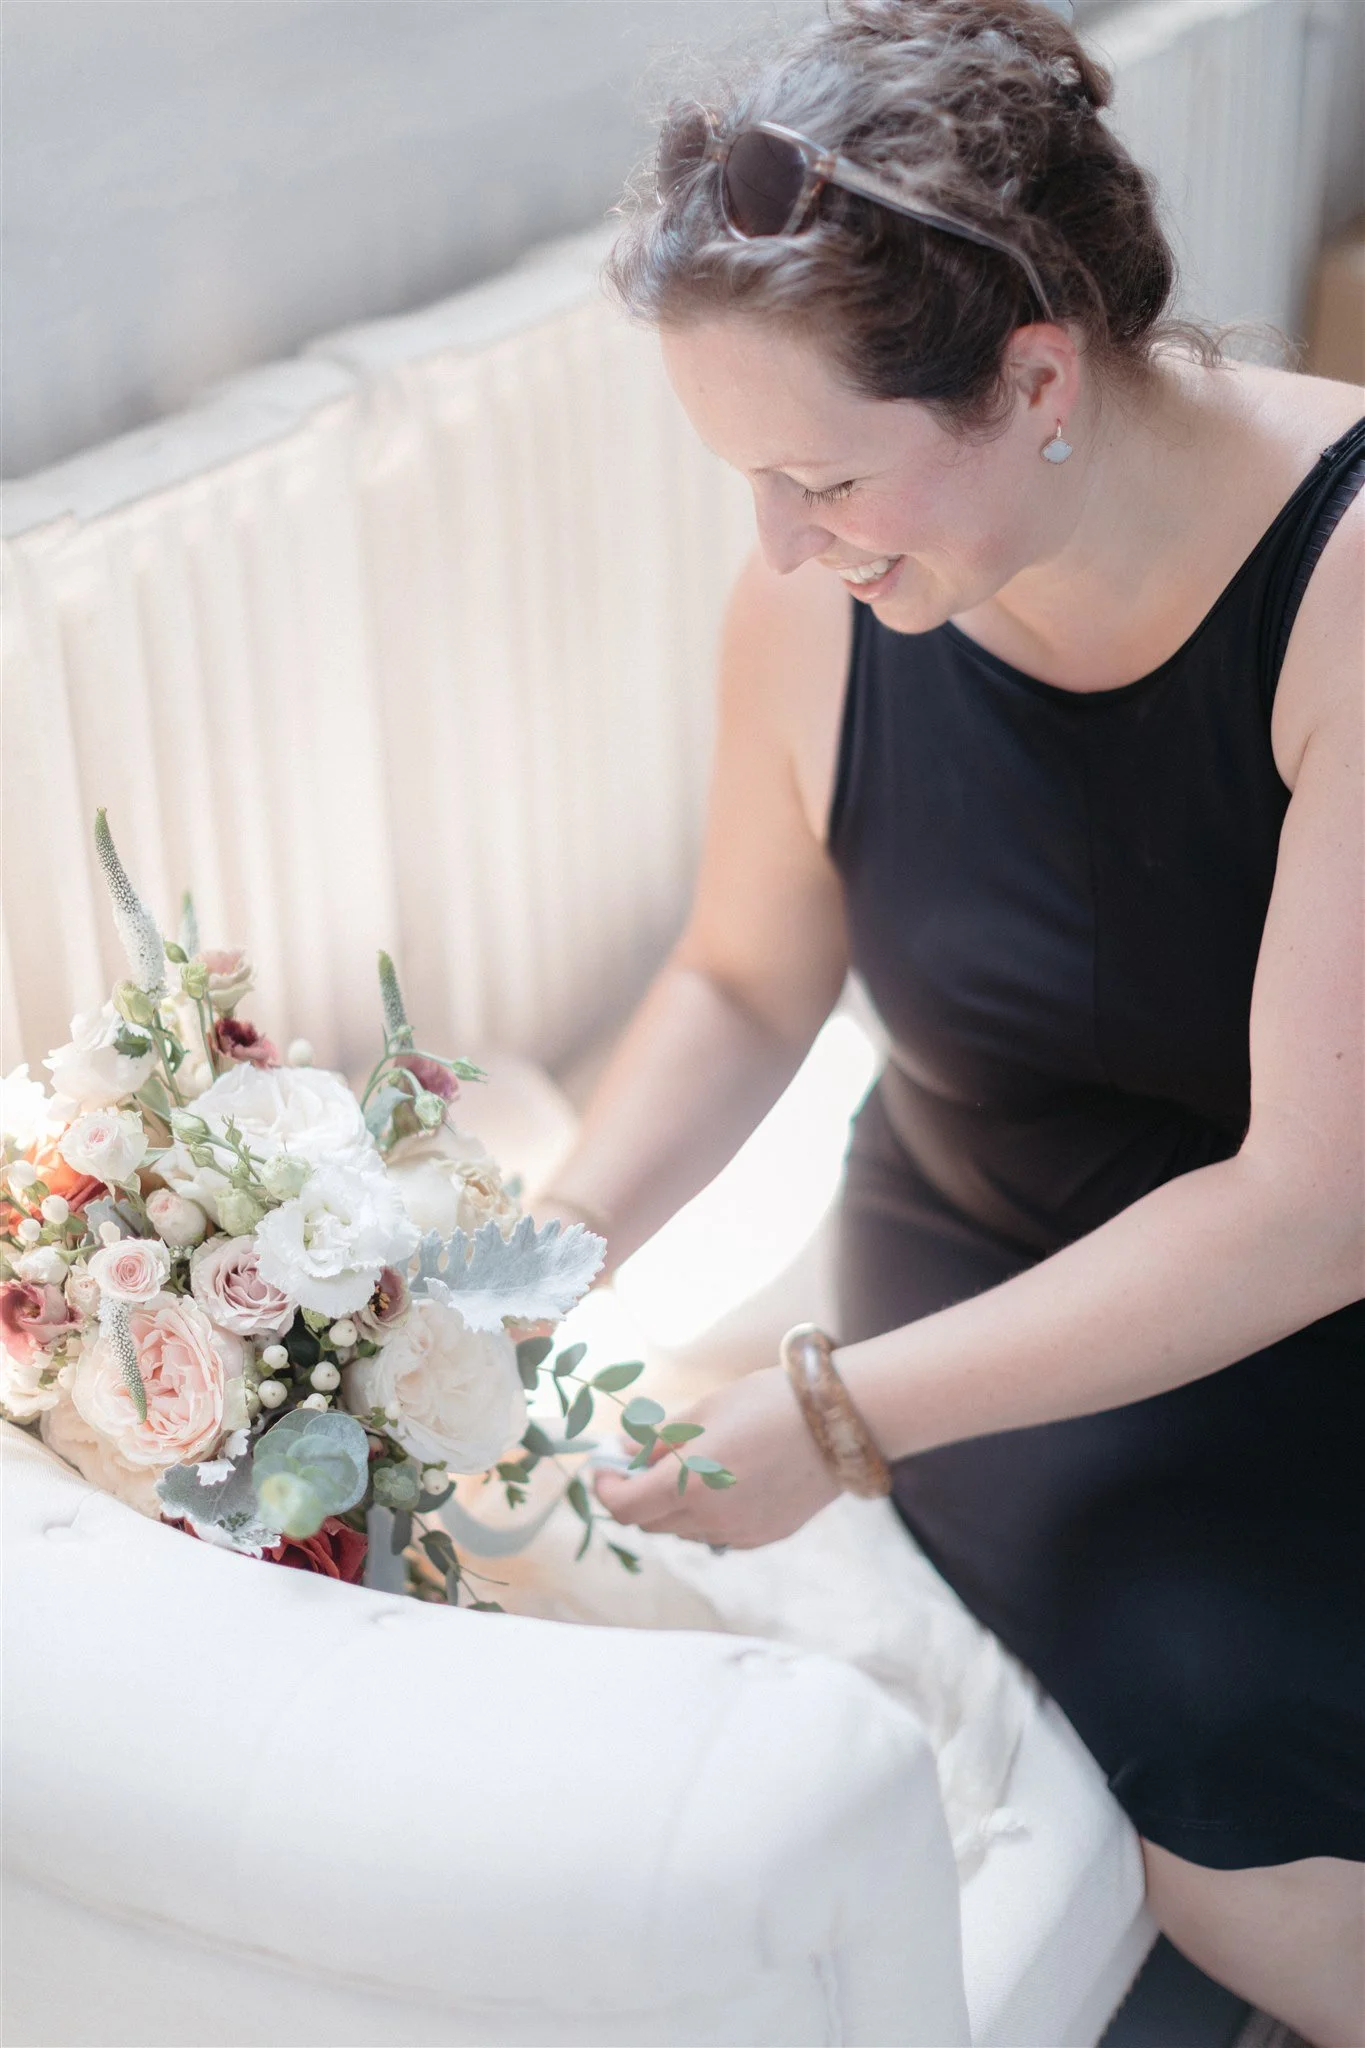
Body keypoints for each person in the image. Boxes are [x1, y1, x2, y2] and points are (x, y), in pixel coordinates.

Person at [528, 2, 1364, 2037]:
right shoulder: (814, 600)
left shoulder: (1343, 588)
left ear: (1034, 376)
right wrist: (525, 1263)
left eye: (819, 474)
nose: (784, 545)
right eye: (749, 482)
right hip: (967, 1239)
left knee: (1241, 1790)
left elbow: (1310, 1205)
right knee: (1202, 1728)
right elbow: (742, 977)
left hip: (1302, 1293)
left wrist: (837, 1418)